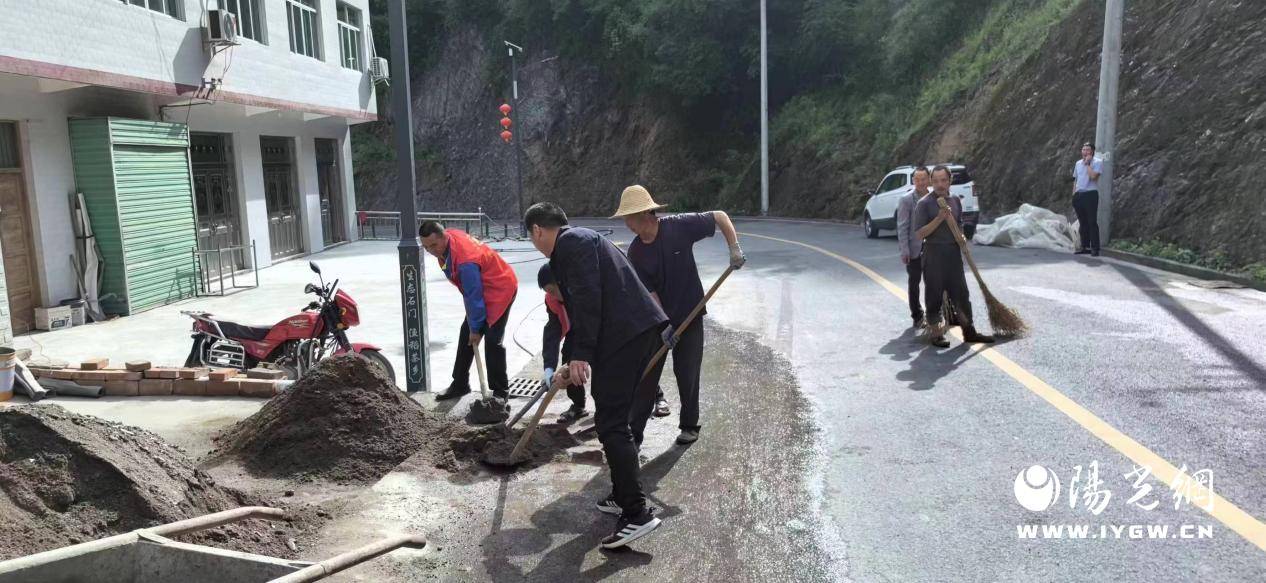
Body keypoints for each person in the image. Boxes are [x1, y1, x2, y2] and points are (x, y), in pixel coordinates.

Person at [525, 201, 668, 549]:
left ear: (537, 230)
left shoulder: (571, 244)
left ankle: (636, 513)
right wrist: (570, 360)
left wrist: (581, 355)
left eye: (531, 237)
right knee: (613, 419)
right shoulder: (580, 242)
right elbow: (581, 312)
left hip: (626, 335)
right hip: (630, 334)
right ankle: (623, 494)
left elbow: (590, 299)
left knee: (611, 423)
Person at [614, 185, 745, 446]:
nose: (626, 223)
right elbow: (650, 292)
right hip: (658, 321)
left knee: (687, 372)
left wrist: (734, 248)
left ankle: (689, 426)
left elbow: (719, 216)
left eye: (629, 217)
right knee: (647, 376)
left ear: (644, 213)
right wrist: (664, 325)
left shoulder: (678, 227)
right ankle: (633, 435)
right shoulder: (636, 252)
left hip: (690, 314)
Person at [419, 221, 518, 405]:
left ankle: (500, 391)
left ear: (444, 236)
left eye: (433, 245)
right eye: (426, 247)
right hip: (481, 287)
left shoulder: (466, 262)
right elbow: (473, 294)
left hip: (500, 289)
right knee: (467, 334)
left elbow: (474, 296)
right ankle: (460, 383)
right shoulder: (449, 242)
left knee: (492, 341)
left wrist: (476, 329)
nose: (431, 251)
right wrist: (473, 328)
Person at [913, 166, 996, 348]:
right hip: (933, 254)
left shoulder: (955, 200)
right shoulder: (924, 204)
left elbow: (958, 224)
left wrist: (962, 236)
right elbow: (919, 233)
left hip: (953, 253)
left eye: (943, 180)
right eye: (936, 181)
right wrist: (939, 218)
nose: (940, 184)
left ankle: (969, 331)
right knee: (934, 295)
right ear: (931, 182)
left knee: (961, 294)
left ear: (950, 181)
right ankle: (936, 334)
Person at [538, 264, 587, 423]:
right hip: (575, 329)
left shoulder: (582, 290)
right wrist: (549, 367)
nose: (551, 295)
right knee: (569, 359)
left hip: (600, 326)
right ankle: (578, 405)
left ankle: (611, 406)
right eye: (548, 292)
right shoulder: (552, 299)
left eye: (552, 290)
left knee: (607, 363)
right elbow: (553, 330)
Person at [897, 167, 932, 328]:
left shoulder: (935, 197)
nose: (920, 182)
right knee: (914, 282)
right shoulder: (906, 200)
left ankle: (934, 313)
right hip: (914, 248)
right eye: (917, 179)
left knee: (934, 282)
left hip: (933, 247)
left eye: (923, 179)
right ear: (913, 181)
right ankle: (917, 315)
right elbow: (902, 226)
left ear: (928, 180)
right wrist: (904, 250)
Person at [1071, 142, 1103, 256]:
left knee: (1092, 222)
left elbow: (1093, 177)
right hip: (1079, 195)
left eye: (1087, 150)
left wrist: (1088, 164)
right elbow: (1076, 179)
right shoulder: (1078, 163)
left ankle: (1095, 248)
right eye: (1083, 149)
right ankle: (1084, 246)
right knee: (1082, 222)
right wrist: (1074, 194)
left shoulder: (1098, 162)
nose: (1085, 152)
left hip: (1091, 194)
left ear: (1092, 152)